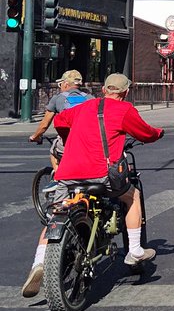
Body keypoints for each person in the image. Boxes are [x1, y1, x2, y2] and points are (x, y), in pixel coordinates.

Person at [21, 73, 164, 297]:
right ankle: (134, 250)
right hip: (102, 175)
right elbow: (145, 133)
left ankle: (39, 263)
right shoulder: (124, 110)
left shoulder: (83, 107)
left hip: (68, 174)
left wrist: (70, 138)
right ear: (125, 93)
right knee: (132, 196)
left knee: (57, 212)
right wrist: (158, 133)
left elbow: (59, 121)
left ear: (104, 90)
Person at [29, 70, 92, 171]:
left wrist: (35, 136)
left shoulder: (58, 99)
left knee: (53, 151)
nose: (60, 87)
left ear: (66, 84)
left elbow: (45, 124)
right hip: (88, 140)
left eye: (61, 84)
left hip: (69, 139)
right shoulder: (90, 98)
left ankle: (59, 179)